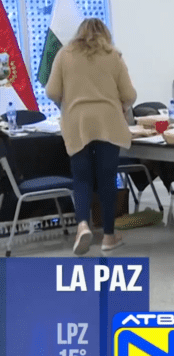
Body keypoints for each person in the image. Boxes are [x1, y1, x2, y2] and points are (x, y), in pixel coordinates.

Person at [45, 18, 137, 255]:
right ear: (105, 34)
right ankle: (109, 236)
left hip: (77, 123)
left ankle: (83, 225)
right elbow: (129, 93)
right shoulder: (113, 56)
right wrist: (123, 104)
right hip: (108, 122)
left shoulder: (64, 55)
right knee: (107, 180)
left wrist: (68, 102)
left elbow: (52, 91)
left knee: (82, 178)